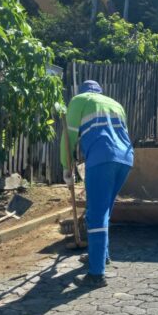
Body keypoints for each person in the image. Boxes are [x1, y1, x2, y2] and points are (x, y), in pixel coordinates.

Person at [61, 80, 133, 289]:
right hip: (125, 159)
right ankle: (102, 256)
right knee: (104, 211)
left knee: (95, 214)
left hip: (102, 158)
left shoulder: (78, 101)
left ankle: (96, 274)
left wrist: (67, 167)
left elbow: (69, 138)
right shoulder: (115, 104)